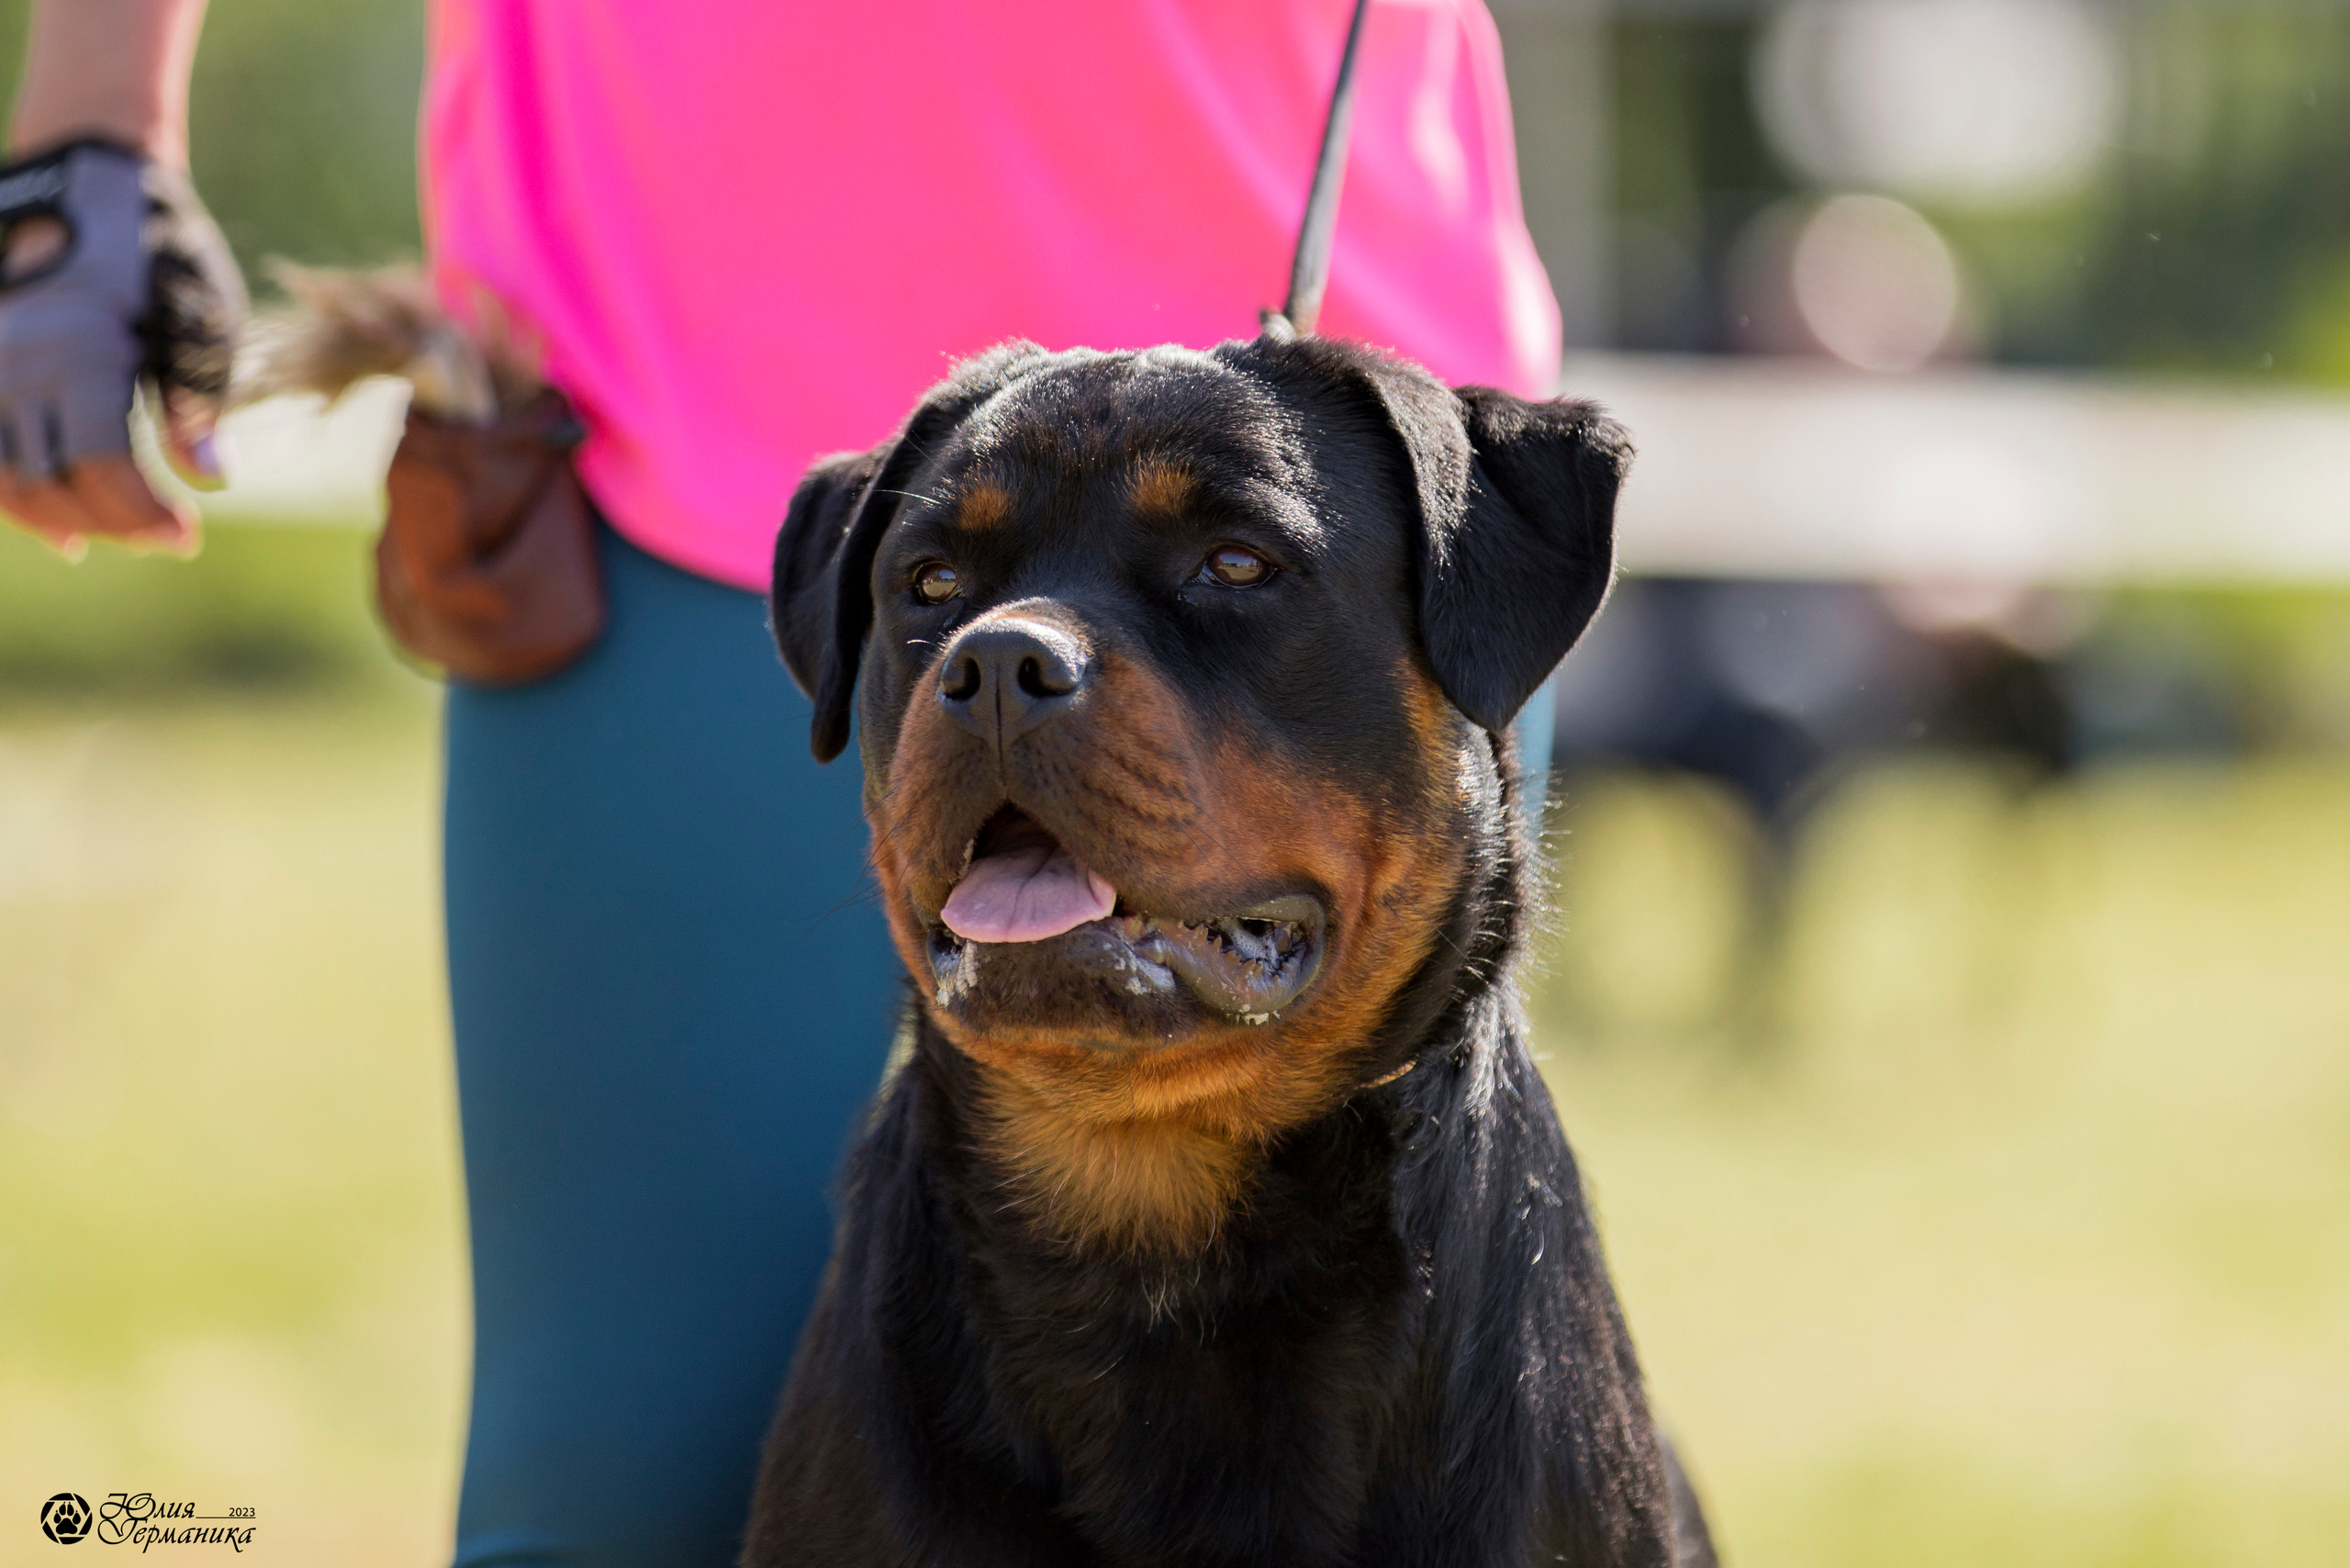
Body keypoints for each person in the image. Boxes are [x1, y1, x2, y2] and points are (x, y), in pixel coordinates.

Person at [0, 3, 1564, 1563]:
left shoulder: (1429, 498)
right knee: (619, 1515)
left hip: (1351, 408)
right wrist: (93, 123)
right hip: (657, 383)